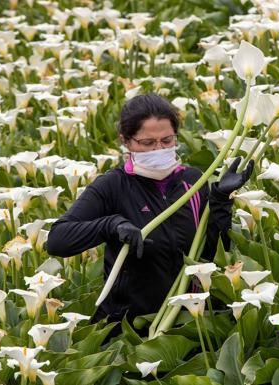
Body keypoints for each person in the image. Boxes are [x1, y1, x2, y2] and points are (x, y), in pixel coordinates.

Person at [44, 93, 254, 334]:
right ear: (126, 141)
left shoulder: (192, 182)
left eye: (167, 140)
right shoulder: (113, 186)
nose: (159, 149)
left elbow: (211, 253)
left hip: (190, 323)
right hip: (128, 328)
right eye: (147, 143)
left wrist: (219, 201)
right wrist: (112, 225)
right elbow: (57, 241)